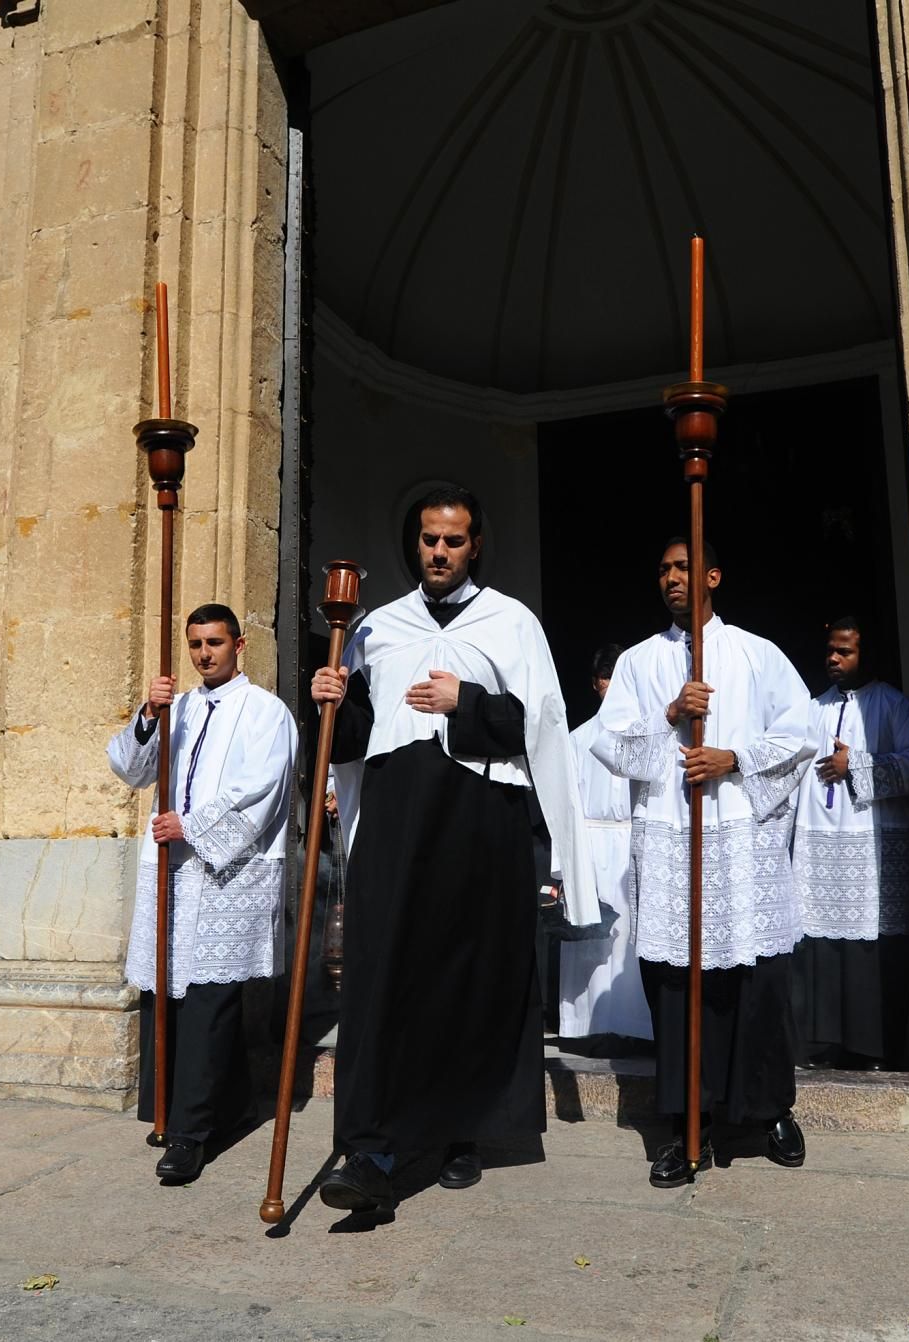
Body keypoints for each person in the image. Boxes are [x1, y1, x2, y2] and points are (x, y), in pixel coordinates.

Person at [311, 484, 599, 1213]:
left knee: (468, 974)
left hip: (480, 818)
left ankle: (463, 1132)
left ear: (475, 546)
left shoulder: (512, 623)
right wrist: (330, 703)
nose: (439, 552)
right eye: (430, 539)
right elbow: (352, 742)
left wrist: (464, 704)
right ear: (415, 542)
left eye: (454, 541)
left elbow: (541, 726)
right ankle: (372, 1143)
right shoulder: (374, 629)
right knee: (383, 974)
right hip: (397, 819)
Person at [591, 539, 813, 1187]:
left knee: (757, 980)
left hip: (741, 843)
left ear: (713, 575)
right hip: (671, 841)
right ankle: (689, 1123)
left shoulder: (756, 653)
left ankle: (769, 1111)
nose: (670, 578)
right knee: (679, 986)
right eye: (662, 569)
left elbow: (801, 733)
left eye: (682, 567)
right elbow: (611, 743)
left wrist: (732, 758)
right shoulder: (638, 661)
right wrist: (669, 715)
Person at [107, 603, 299, 1183]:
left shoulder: (267, 711)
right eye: (195, 644)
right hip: (170, 868)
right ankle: (216, 1106)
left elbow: (260, 789)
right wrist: (147, 712)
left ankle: (190, 1134)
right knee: (169, 991)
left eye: (215, 643)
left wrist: (190, 826)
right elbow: (131, 768)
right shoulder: (179, 708)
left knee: (212, 998)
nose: (203, 654)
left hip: (227, 871)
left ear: (239, 646)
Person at [791, 616, 909, 1069]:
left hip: (874, 845)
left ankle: (873, 1047)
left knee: (873, 946)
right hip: (821, 838)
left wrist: (858, 763)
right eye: (830, 650)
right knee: (822, 944)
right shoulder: (814, 709)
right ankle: (821, 1042)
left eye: (844, 651)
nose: (833, 658)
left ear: (865, 654)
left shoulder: (896, 707)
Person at [558, 644, 653, 1044]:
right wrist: (563, 869)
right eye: (607, 677)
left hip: (634, 842)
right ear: (597, 684)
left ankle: (634, 1027)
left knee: (633, 942)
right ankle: (587, 1027)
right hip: (592, 847)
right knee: (591, 941)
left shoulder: (644, 737)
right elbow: (566, 808)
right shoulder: (579, 740)